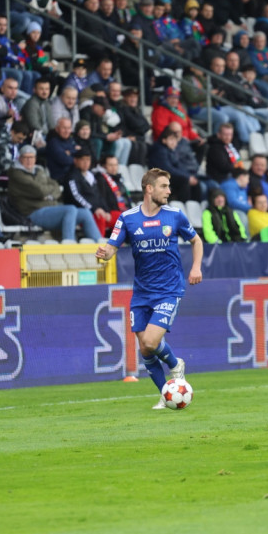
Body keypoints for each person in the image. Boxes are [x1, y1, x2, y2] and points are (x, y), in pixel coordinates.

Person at [95, 168, 203, 409]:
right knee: (144, 347)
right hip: (142, 292)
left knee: (152, 342)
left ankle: (175, 365)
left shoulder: (175, 215)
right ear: (149, 189)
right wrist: (104, 254)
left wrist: (196, 268)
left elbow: (196, 241)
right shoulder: (128, 218)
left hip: (169, 289)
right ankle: (165, 396)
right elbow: (112, 248)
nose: (169, 191)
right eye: (164, 186)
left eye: (168, 186)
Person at [8, 145, 102, 241]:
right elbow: (39, 191)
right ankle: (69, 244)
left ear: (35, 158)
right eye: (26, 157)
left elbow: (56, 186)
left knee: (85, 212)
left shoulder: (39, 170)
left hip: (51, 209)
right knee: (70, 209)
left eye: (31, 157)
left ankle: (101, 245)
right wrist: (47, 193)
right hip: (33, 213)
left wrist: (47, 194)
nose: (29, 160)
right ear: (20, 158)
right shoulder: (16, 173)